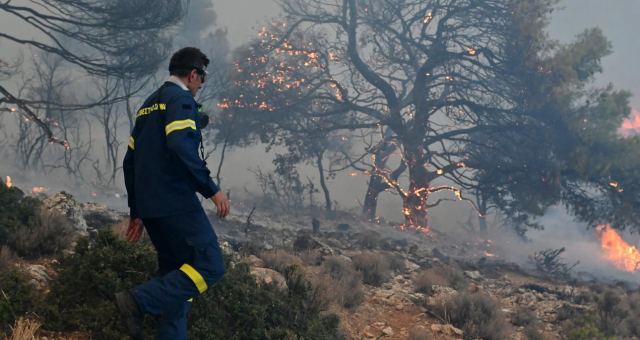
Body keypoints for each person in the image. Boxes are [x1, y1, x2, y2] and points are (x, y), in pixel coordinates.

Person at [115, 47, 230, 340]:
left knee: (177, 281)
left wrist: (137, 211)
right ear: (193, 75)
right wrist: (211, 190)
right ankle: (138, 301)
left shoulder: (148, 105)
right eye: (201, 79)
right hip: (176, 203)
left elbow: (130, 162)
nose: (201, 86)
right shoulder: (180, 100)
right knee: (210, 265)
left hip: (152, 209)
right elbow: (180, 146)